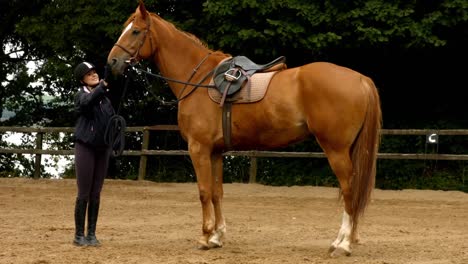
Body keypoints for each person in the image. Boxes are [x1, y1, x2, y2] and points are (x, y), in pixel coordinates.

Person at [72, 61, 114, 246]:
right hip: (85, 147)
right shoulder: (81, 95)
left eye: (95, 72)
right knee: (84, 192)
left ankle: (91, 234)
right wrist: (101, 88)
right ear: (82, 79)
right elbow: (88, 104)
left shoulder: (105, 99)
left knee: (96, 192)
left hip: (102, 148)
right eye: (89, 74)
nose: (94, 75)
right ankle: (78, 235)